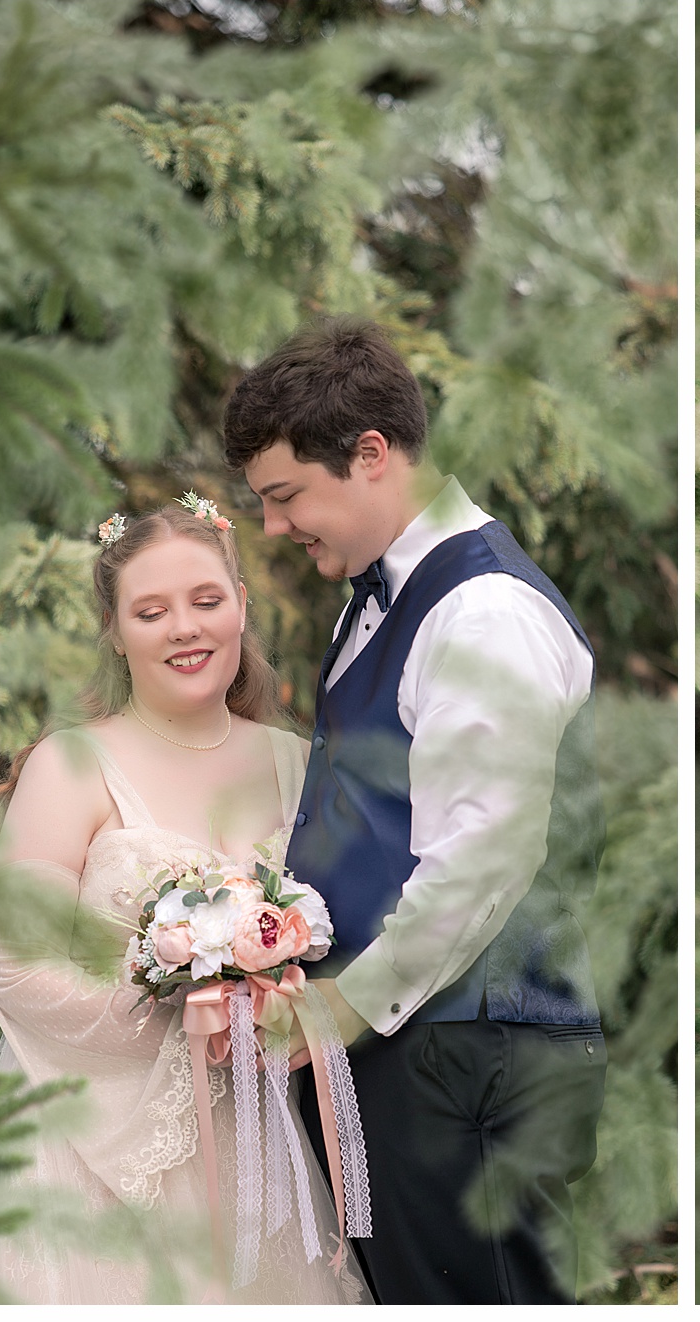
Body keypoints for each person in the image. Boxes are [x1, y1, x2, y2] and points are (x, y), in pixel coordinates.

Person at [222, 317, 607, 1304]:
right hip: (414, 1051)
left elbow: (481, 859)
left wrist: (342, 1009)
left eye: (285, 496)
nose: (274, 527)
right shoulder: (381, 596)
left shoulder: (482, 612)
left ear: (371, 455)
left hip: (470, 1051)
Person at [0, 501, 368, 1303]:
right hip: (82, 1148)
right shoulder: (72, 766)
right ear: (116, 631)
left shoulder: (299, 765)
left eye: (206, 601)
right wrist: (183, 1002)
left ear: (242, 607)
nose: (184, 628)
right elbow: (19, 971)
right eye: (151, 612)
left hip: (256, 1149)